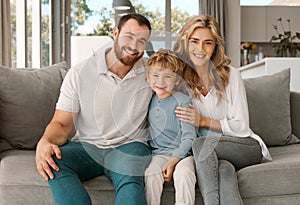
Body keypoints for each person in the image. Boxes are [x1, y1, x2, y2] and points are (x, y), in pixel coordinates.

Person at [35, 13, 153, 205]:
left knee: (131, 177)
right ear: (115, 33)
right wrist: (45, 141)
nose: (134, 45)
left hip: (130, 146)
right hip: (88, 146)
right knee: (53, 161)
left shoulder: (152, 74)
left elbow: (183, 88)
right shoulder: (80, 73)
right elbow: (62, 123)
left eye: (141, 41)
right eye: (129, 36)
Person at [173, 15, 272, 205]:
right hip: (214, 156)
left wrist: (202, 120)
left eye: (207, 43)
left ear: (215, 47)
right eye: (194, 41)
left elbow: (242, 127)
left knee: (202, 144)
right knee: (224, 171)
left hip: (244, 146)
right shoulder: (179, 81)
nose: (200, 49)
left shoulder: (232, 76)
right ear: (185, 43)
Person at [144, 48, 197, 205]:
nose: (160, 82)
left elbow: (189, 137)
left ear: (177, 80)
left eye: (167, 76)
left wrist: (174, 160)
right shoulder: (149, 99)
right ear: (147, 78)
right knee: (151, 174)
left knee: (184, 174)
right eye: (155, 76)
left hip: (184, 155)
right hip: (159, 154)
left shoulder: (182, 101)